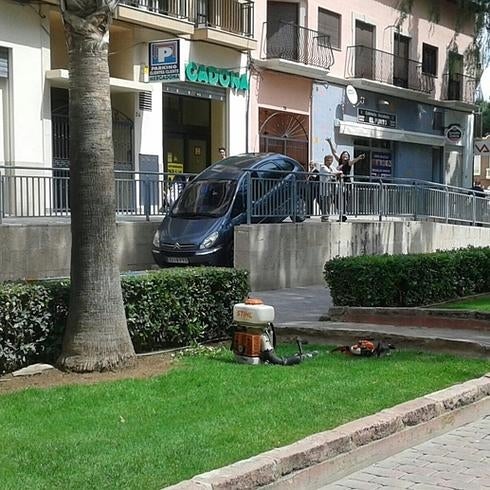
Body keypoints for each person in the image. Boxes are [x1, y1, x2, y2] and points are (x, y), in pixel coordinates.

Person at [326, 137, 365, 221]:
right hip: (339, 184)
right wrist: (330, 142)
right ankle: (342, 214)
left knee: (343, 200)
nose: (345, 156)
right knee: (336, 199)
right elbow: (334, 152)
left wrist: (359, 157)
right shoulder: (340, 161)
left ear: (348, 157)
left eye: (347, 155)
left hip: (346, 184)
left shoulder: (348, 163)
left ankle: (342, 216)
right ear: (342, 156)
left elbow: (354, 161)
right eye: (344, 155)